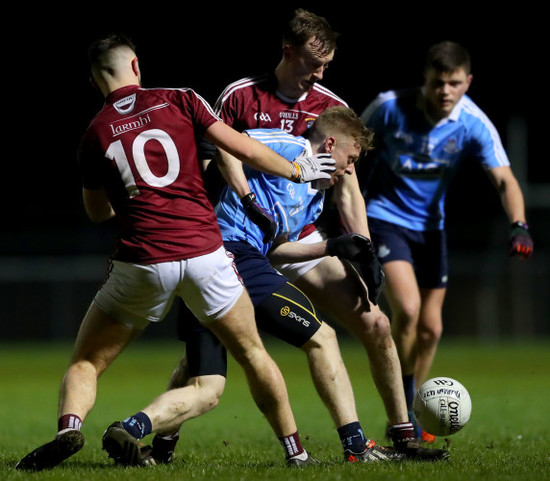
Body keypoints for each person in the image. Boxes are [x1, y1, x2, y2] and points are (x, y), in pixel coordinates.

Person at [15, 32, 336, 472]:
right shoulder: (181, 99)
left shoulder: (94, 133)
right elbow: (241, 147)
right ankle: (296, 452)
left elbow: (97, 211)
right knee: (253, 354)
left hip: (143, 260)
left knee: (87, 361)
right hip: (206, 254)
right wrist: (296, 168)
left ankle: (70, 427)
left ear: (94, 83)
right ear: (137, 66)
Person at [104, 106, 419, 465]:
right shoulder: (288, 147)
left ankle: (136, 431)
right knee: (322, 338)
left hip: (208, 263)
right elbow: (229, 147)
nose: (350, 170)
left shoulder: (312, 197)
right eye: (351, 158)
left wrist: (331, 247)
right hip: (232, 254)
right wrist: (248, 199)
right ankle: (356, 448)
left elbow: (276, 247)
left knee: (204, 385)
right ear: (330, 144)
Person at [359, 40, 534, 441]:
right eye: (438, 82)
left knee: (431, 330)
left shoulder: (472, 122)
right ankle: (401, 410)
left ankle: (415, 406)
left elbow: (505, 178)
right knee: (407, 308)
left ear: (467, 82)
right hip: (385, 218)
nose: (445, 91)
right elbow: (352, 143)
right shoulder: (389, 106)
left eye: (454, 83)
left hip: (431, 229)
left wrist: (519, 224)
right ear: (425, 78)